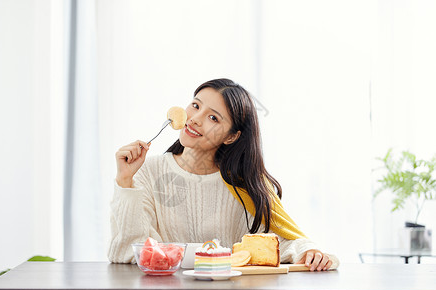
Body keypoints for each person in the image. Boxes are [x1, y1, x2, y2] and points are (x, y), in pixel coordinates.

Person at [109, 78, 339, 271]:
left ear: (231, 137)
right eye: (196, 105)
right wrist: (125, 181)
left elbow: (275, 243)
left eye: (213, 118)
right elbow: (127, 252)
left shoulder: (243, 185)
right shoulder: (148, 171)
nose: (195, 119)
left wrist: (308, 251)